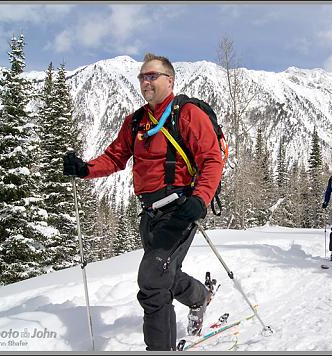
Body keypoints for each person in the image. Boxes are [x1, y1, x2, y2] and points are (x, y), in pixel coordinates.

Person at [63, 53, 224, 350]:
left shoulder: (187, 114)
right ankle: (202, 297)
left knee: (151, 281)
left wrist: (200, 199)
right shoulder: (136, 120)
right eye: (142, 77)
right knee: (164, 274)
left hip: (179, 210)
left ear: (169, 80)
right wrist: (85, 169)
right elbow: (115, 157)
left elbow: (212, 159)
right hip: (149, 215)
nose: (145, 81)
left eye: (152, 76)